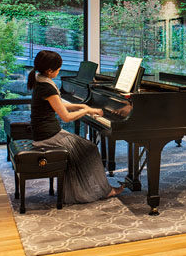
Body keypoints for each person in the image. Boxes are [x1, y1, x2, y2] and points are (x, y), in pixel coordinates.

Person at [26, 50, 123, 203]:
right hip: (48, 136)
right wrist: (85, 110)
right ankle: (104, 191)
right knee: (90, 148)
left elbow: (61, 104)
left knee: (84, 147)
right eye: (58, 69)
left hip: (43, 132)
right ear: (50, 70)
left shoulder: (39, 80)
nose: (59, 71)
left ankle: (88, 187)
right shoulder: (47, 88)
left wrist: (87, 108)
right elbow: (66, 117)